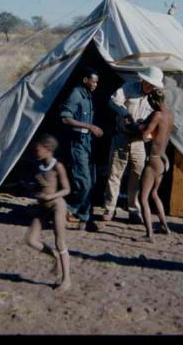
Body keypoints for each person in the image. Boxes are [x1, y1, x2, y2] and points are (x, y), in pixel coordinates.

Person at [102, 65, 165, 224]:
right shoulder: (128, 88)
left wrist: (147, 135)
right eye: (148, 83)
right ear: (142, 79)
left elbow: (158, 121)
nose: (149, 87)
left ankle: (133, 209)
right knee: (114, 175)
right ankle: (109, 209)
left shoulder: (154, 98)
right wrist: (125, 114)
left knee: (137, 176)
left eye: (153, 85)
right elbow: (113, 101)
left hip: (139, 141)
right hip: (122, 137)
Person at [59, 67, 104, 231]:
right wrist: (89, 126)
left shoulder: (88, 96)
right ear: (85, 80)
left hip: (87, 143)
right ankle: (67, 209)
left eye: (97, 82)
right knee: (83, 182)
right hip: (77, 142)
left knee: (90, 181)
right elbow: (65, 118)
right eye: (94, 81)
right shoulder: (76, 95)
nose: (96, 84)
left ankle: (84, 217)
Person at [25, 133, 72, 292]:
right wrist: (34, 192)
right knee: (31, 239)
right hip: (42, 207)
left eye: (38, 148)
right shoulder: (37, 165)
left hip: (57, 205)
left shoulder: (57, 166)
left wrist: (50, 196)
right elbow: (36, 186)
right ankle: (54, 255)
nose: (35, 151)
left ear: (48, 149)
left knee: (60, 241)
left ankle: (66, 280)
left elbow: (67, 189)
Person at [137, 88, 174, 242]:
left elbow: (145, 135)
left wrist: (139, 126)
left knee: (143, 198)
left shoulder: (157, 114)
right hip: (163, 159)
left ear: (153, 101)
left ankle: (149, 234)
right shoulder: (169, 115)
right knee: (154, 194)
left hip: (153, 160)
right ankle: (165, 226)